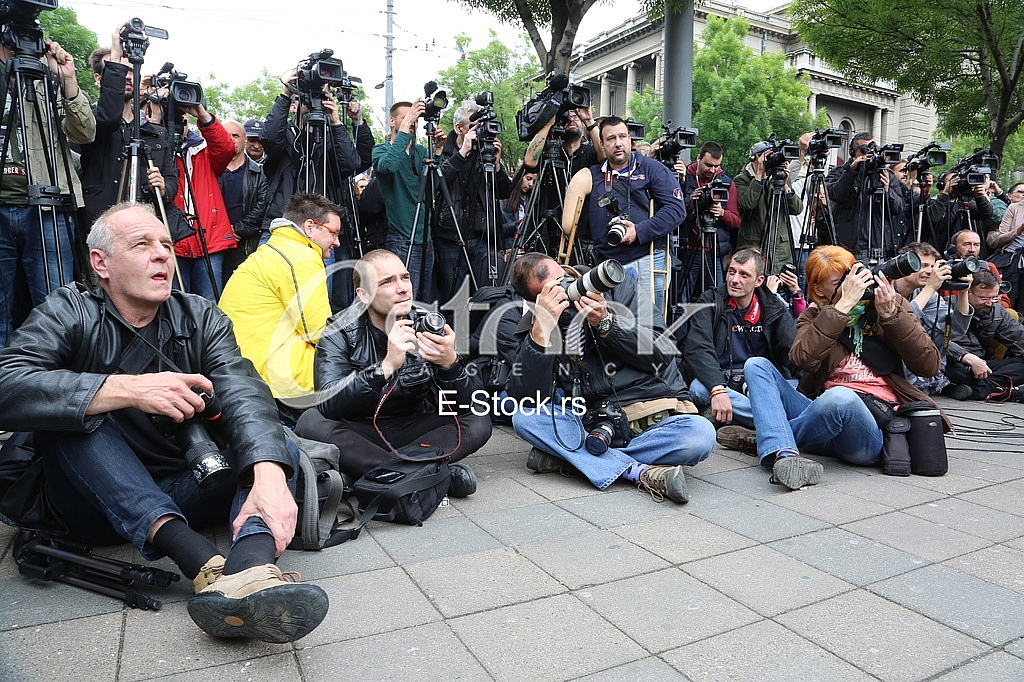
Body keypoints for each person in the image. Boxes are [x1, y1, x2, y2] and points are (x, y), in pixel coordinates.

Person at [0, 202, 328, 643]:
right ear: (101, 263)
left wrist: (268, 475)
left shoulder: (200, 315)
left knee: (277, 445)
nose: (163, 255)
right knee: (71, 420)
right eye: (142, 245)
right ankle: (202, 565)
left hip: (187, 481)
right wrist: (127, 390)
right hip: (91, 502)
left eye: (167, 245)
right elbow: (8, 381)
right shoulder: (67, 311)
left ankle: (249, 571)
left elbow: (244, 393)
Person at [506, 253, 715, 504]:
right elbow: (528, 399)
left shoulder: (615, 285)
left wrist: (608, 324)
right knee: (524, 418)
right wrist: (540, 332)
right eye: (552, 292)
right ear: (536, 301)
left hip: (649, 409)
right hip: (591, 421)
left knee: (700, 435)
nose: (565, 292)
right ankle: (639, 471)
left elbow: (662, 353)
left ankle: (573, 458)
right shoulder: (537, 323)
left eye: (563, 279)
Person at [733, 245, 944, 489]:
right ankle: (786, 455)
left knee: (841, 397)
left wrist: (892, 317)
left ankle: (769, 438)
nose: (851, 285)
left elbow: (929, 366)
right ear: (818, 289)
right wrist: (841, 308)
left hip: (871, 427)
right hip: (821, 416)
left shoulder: (887, 304)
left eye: (852, 276)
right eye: (839, 282)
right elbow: (802, 359)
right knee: (756, 366)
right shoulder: (813, 317)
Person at [294, 249, 490, 489]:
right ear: (364, 295)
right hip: (362, 430)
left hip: (416, 426)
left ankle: (379, 476)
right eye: (388, 281)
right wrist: (384, 367)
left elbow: (466, 404)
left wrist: (451, 364)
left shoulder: (428, 323)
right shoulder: (340, 330)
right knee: (310, 421)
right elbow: (329, 401)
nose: (403, 288)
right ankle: (431, 474)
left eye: (405, 277)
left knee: (478, 419)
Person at [0, 38, 95, 348]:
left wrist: (67, 78)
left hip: (46, 206)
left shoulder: (42, 78)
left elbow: (85, 132)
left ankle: (56, 386)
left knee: (57, 309)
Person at [219, 193, 340, 417]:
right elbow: (319, 333)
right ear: (311, 227)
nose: (337, 242)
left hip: (240, 368)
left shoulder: (276, 248)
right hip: (270, 381)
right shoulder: (302, 257)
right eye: (334, 233)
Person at [562, 116, 687, 312]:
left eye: (622, 136)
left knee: (648, 326)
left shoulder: (652, 169)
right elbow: (568, 224)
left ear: (630, 140)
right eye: (611, 138)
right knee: (615, 326)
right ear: (601, 145)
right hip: (608, 266)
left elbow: (676, 209)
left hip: (648, 259)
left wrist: (639, 231)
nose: (618, 143)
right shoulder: (593, 175)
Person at [683, 247, 795, 435]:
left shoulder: (773, 306)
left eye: (744, 275)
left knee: (794, 386)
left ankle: (739, 419)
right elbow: (698, 348)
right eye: (731, 272)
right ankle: (783, 424)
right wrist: (718, 390)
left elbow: (791, 351)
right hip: (722, 382)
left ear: (759, 281)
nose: (734, 280)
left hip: (760, 384)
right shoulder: (710, 300)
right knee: (698, 388)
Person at [80, 24, 177, 234]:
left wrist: (162, 187)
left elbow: (171, 180)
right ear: (99, 78)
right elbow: (109, 118)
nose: (127, 76)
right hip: (99, 225)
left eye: (131, 70)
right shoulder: (89, 122)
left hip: (143, 226)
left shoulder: (155, 132)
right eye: (118, 69)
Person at [435, 99, 513, 300]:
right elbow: (436, 185)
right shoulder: (443, 150)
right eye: (472, 127)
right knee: (455, 298)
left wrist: (496, 164)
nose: (478, 131)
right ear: (459, 128)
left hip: (483, 237)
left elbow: (504, 192)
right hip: (452, 236)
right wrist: (462, 154)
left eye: (481, 127)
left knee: (486, 296)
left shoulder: (485, 153)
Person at [372, 100, 446, 302]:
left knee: (422, 300)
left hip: (426, 238)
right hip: (402, 238)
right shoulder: (380, 151)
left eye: (415, 119)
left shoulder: (421, 152)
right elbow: (388, 166)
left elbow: (433, 188)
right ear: (392, 121)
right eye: (406, 118)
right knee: (403, 299)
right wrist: (405, 129)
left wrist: (438, 151)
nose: (413, 122)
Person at [168, 102, 236, 300]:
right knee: (174, 306)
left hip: (209, 241)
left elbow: (227, 148)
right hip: (172, 241)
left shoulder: (202, 149)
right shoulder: (159, 148)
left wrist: (201, 113)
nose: (180, 121)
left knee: (210, 306)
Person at [891, 242, 972, 395]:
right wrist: (930, 288)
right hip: (884, 357)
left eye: (932, 266)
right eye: (923, 265)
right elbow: (899, 325)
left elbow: (956, 331)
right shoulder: (885, 287)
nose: (929, 271)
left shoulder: (929, 294)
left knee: (935, 330)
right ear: (904, 264)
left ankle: (933, 382)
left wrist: (963, 292)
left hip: (913, 360)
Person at [943, 268, 1024, 401]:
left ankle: (981, 388)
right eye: (984, 298)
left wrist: (979, 363)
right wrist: (966, 357)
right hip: (955, 361)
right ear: (968, 292)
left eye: (994, 298)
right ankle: (1000, 390)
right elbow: (936, 340)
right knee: (947, 368)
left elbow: (1019, 337)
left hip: (984, 365)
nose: (990, 303)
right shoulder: (945, 306)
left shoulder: (997, 311)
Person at [678, 141, 742, 300]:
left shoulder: (727, 183)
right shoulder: (684, 177)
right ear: (698, 158)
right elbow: (672, 213)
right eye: (708, 165)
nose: (712, 170)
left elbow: (736, 220)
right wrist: (690, 205)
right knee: (682, 298)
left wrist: (722, 213)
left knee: (717, 298)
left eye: (716, 166)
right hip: (688, 248)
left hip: (714, 251)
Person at [825, 133, 904, 260]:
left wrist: (887, 190)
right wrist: (852, 171)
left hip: (878, 247)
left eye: (872, 148)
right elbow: (835, 194)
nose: (869, 152)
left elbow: (898, 207)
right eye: (864, 149)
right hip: (848, 249)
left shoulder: (885, 174)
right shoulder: (840, 172)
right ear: (853, 152)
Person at [734, 140, 803, 274]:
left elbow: (797, 209)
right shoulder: (742, 179)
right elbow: (747, 203)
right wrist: (759, 177)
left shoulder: (779, 177)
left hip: (778, 250)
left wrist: (786, 186)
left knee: (778, 288)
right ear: (754, 159)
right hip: (754, 246)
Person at [218, 120, 269, 283]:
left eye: (236, 135)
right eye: (227, 135)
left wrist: (238, 229)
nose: (231, 139)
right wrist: (223, 230)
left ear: (244, 139)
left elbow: (262, 205)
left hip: (244, 243)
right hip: (214, 241)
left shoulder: (259, 172)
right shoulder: (210, 169)